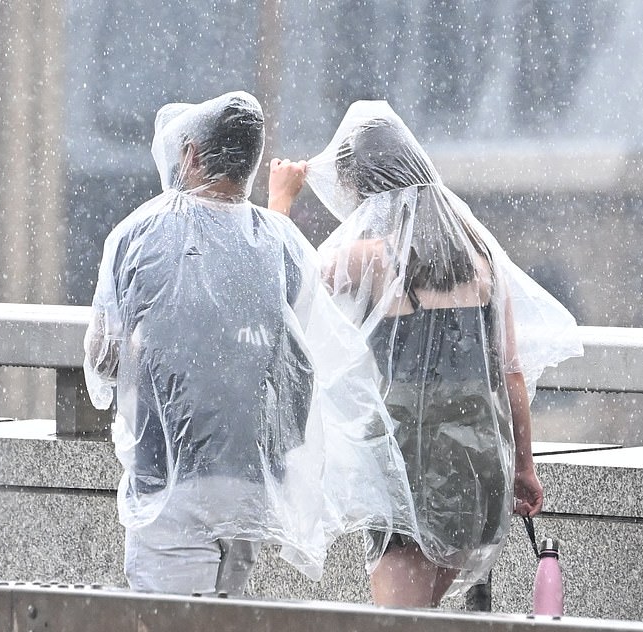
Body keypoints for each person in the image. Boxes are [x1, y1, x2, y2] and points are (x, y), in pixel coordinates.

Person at [83, 92, 414, 597]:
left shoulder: (138, 233)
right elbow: (300, 354)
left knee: (169, 624)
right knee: (227, 620)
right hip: (251, 481)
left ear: (192, 156)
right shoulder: (281, 242)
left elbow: (103, 360)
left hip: (168, 480)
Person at [268, 101, 582, 608]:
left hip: (408, 458)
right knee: (426, 617)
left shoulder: (372, 256)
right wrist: (524, 467)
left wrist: (279, 201)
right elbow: (510, 373)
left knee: (399, 625)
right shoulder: (479, 253)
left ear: (365, 187)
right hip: (478, 457)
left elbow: (282, 283)